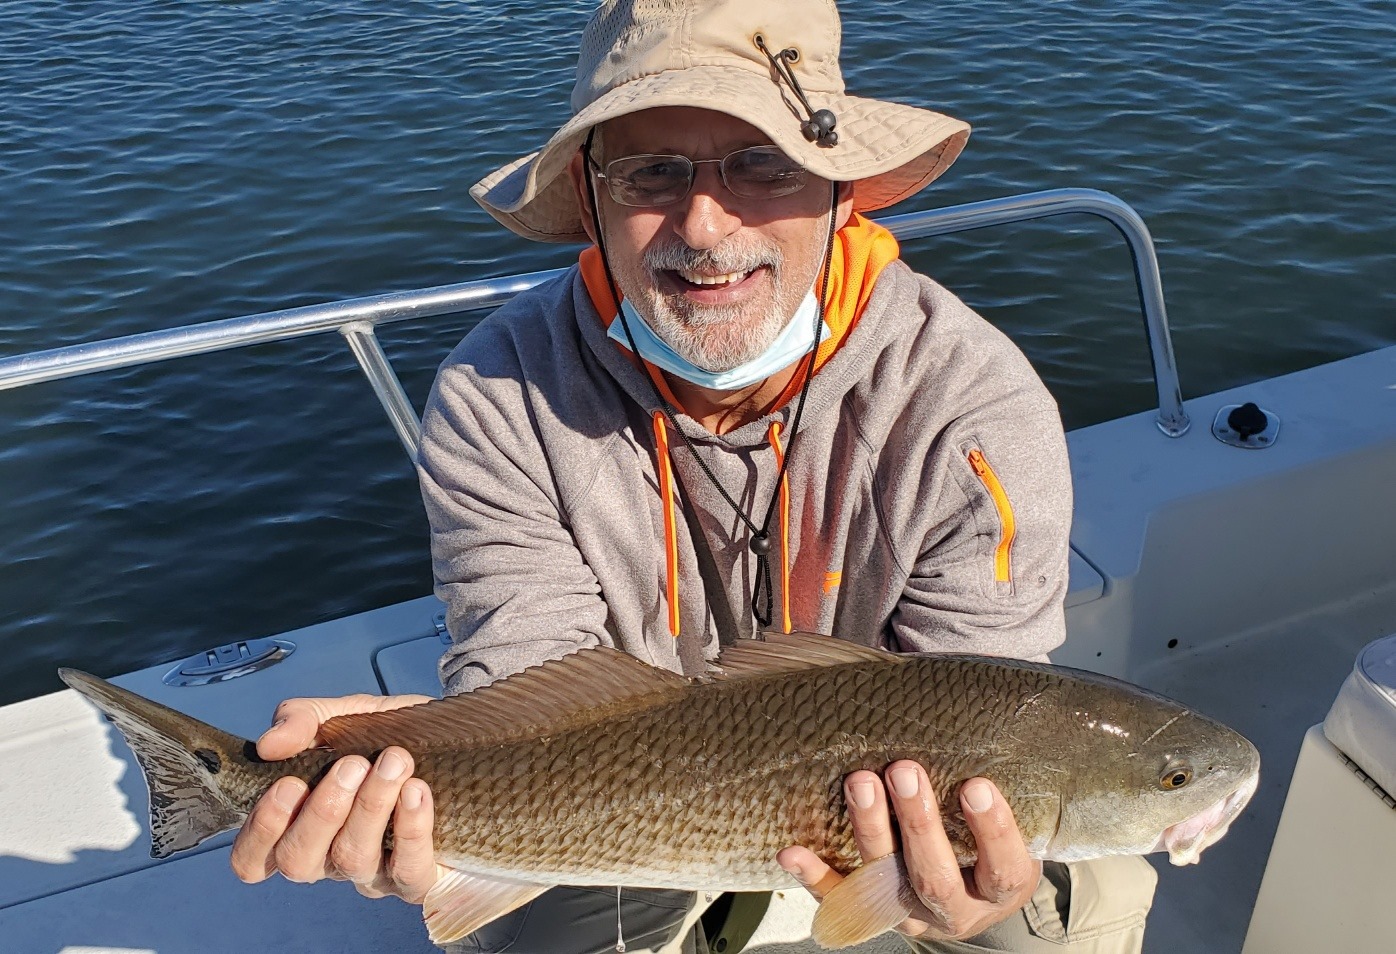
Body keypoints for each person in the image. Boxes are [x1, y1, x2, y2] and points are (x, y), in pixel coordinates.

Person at [229, 1, 1158, 951]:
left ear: (843, 191)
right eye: (650, 172)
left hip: (874, 812)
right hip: (601, 790)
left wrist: (972, 892)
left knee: (1040, 918)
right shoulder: (495, 391)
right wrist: (434, 748)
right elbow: (531, 671)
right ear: (589, 199)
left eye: (765, 164)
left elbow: (982, 702)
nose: (706, 224)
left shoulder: (974, 406)